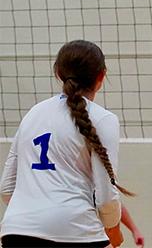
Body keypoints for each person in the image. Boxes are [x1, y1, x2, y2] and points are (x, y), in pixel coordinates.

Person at [0, 40, 130, 248]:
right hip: (74, 230)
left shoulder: (33, 113)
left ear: (58, 73)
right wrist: (113, 229)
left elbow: (7, 187)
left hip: (16, 230)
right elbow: (106, 196)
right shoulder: (103, 119)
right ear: (101, 76)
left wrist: (33, 212)